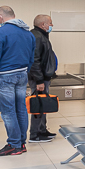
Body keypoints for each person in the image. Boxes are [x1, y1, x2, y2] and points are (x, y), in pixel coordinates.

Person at [0, 6, 35, 157]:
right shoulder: (28, 34)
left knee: (8, 112)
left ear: (0, 17)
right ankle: (21, 143)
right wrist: (25, 71)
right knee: (21, 109)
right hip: (22, 74)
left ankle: (14, 144)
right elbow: (31, 57)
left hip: (4, 76)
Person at [28, 14, 57, 144]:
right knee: (38, 104)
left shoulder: (41, 35)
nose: (52, 25)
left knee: (43, 104)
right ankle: (35, 134)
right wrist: (39, 80)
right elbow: (34, 60)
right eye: (50, 23)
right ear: (43, 25)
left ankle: (42, 130)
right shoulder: (37, 37)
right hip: (38, 78)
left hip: (42, 77)